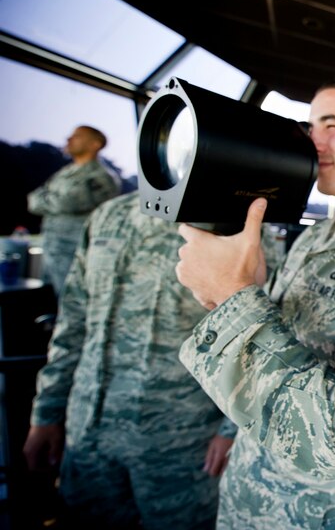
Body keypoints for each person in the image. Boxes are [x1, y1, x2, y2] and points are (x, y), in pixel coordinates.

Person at [175, 80, 335, 528]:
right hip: (250, 489)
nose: (314, 140)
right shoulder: (313, 235)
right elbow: (274, 326)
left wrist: (231, 299)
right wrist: (232, 428)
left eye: (332, 125)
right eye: (310, 127)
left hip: (326, 508)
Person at [23, 191, 244, 529]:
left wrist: (231, 430)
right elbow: (73, 321)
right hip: (90, 433)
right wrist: (46, 413)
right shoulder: (107, 215)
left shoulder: (227, 219)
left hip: (179, 443)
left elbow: (247, 329)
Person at [27, 125, 121, 295]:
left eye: (77, 136)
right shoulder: (65, 172)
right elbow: (33, 200)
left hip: (76, 252)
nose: (69, 139)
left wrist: (47, 200)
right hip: (51, 247)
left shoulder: (102, 176)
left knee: (73, 301)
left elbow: (67, 203)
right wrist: (49, 200)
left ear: (95, 144)